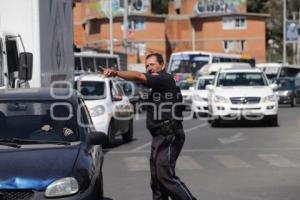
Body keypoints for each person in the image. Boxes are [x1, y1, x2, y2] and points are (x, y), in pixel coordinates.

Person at [101, 53, 197, 200]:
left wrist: (115, 73)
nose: (149, 68)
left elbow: (139, 76)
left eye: (152, 64)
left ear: (162, 65)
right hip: (159, 136)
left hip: (168, 135)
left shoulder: (164, 78)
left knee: (165, 177)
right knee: (157, 182)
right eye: (147, 66)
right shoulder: (156, 83)